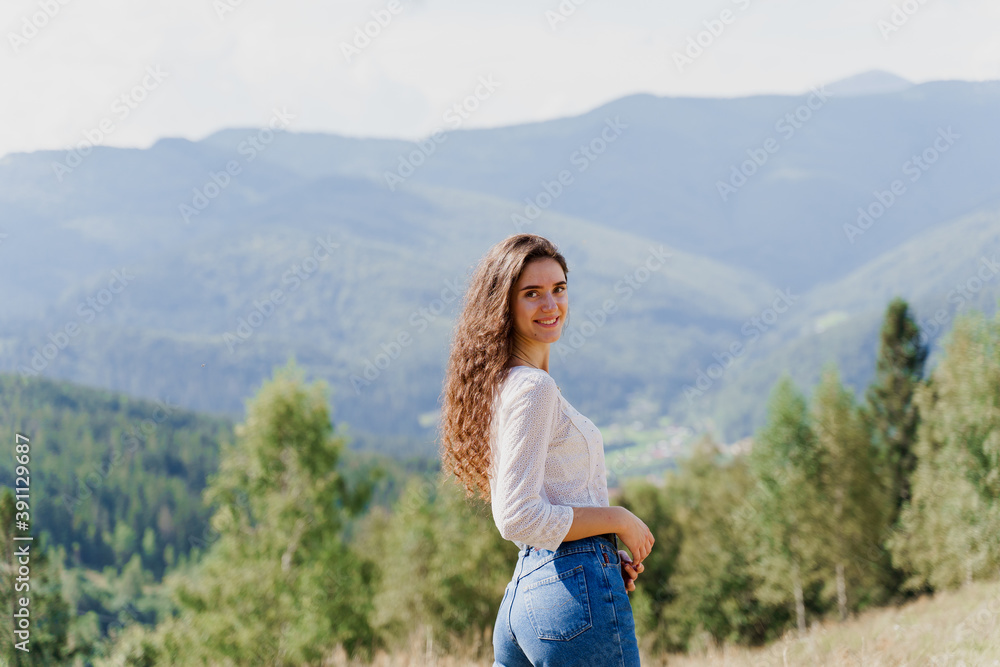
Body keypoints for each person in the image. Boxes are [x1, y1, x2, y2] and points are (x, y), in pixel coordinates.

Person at [439, 233, 655, 666]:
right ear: (504, 305)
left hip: (530, 594)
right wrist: (617, 519)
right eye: (532, 294)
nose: (551, 304)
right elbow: (517, 515)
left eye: (558, 289)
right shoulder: (533, 389)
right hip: (568, 597)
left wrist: (603, 554)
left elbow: (550, 500)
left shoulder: (507, 386)